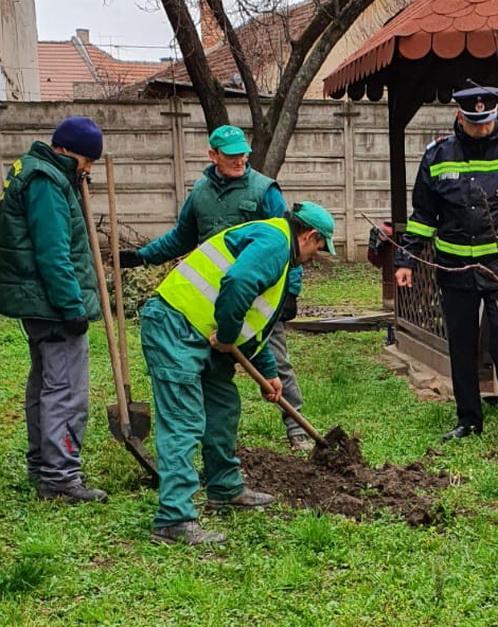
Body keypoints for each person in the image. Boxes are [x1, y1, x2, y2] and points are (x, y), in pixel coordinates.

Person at [142, 202, 335, 545]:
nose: (314, 257)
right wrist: (228, 335)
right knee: (183, 420)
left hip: (205, 333)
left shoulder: (277, 249)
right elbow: (238, 281)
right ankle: (173, 519)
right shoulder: (275, 242)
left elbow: (255, 325)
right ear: (310, 236)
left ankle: (225, 488)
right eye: (319, 249)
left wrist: (269, 373)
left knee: (223, 406)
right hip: (176, 324)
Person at [119, 125, 312, 451]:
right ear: (213, 155)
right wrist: (142, 256)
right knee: (213, 372)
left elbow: (291, 243)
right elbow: (181, 237)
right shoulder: (200, 193)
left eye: (243, 154)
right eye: (232, 155)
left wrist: (290, 292)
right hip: (208, 302)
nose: (240, 160)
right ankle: (217, 442)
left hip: (256, 294)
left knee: (275, 362)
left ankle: (297, 430)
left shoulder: (264, 190)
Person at [395, 85, 498, 443]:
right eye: (473, 121)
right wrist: (405, 258)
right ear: (459, 117)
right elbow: (423, 214)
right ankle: (468, 419)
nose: (480, 127)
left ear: (495, 115)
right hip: (454, 266)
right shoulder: (437, 155)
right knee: (461, 345)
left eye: (486, 121)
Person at [0, 116, 107, 502]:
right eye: (87, 161)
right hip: (52, 304)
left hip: (37, 303)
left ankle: (42, 465)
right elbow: (53, 252)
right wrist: (72, 306)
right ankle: (61, 478)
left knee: (44, 384)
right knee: (66, 391)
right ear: (68, 151)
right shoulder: (46, 182)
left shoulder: (32, 171)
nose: (89, 169)